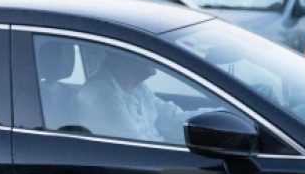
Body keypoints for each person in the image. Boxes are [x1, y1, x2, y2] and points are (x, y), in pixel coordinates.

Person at [76, 51, 210, 143]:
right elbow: (138, 151)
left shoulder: (139, 89)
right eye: (150, 54)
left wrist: (223, 113)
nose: (156, 59)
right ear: (130, 57)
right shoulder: (101, 96)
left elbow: (174, 121)